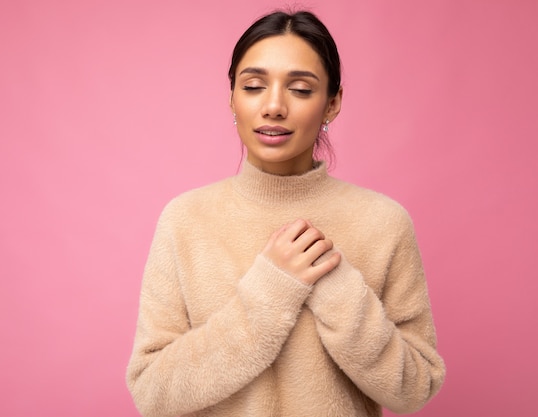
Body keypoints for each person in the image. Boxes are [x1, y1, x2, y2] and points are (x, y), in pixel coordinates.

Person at [126, 10, 445, 417]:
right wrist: (270, 293)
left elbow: (415, 388)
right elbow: (151, 393)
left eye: (300, 89)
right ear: (232, 99)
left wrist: (339, 288)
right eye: (254, 86)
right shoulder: (185, 220)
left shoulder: (383, 222)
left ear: (332, 104)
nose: (274, 106)